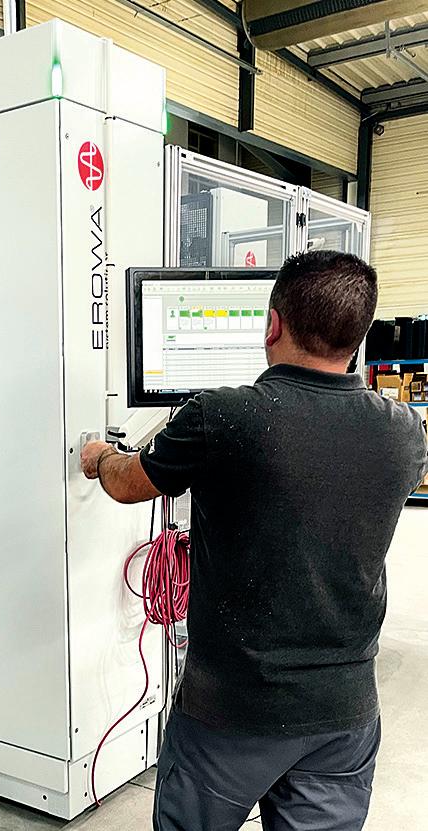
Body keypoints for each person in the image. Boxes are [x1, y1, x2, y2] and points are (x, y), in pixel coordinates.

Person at [81, 251, 428, 831]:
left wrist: (98, 457)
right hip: (344, 712)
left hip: (230, 711)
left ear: (272, 325)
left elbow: (128, 483)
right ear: (358, 336)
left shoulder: (222, 417)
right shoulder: (404, 431)